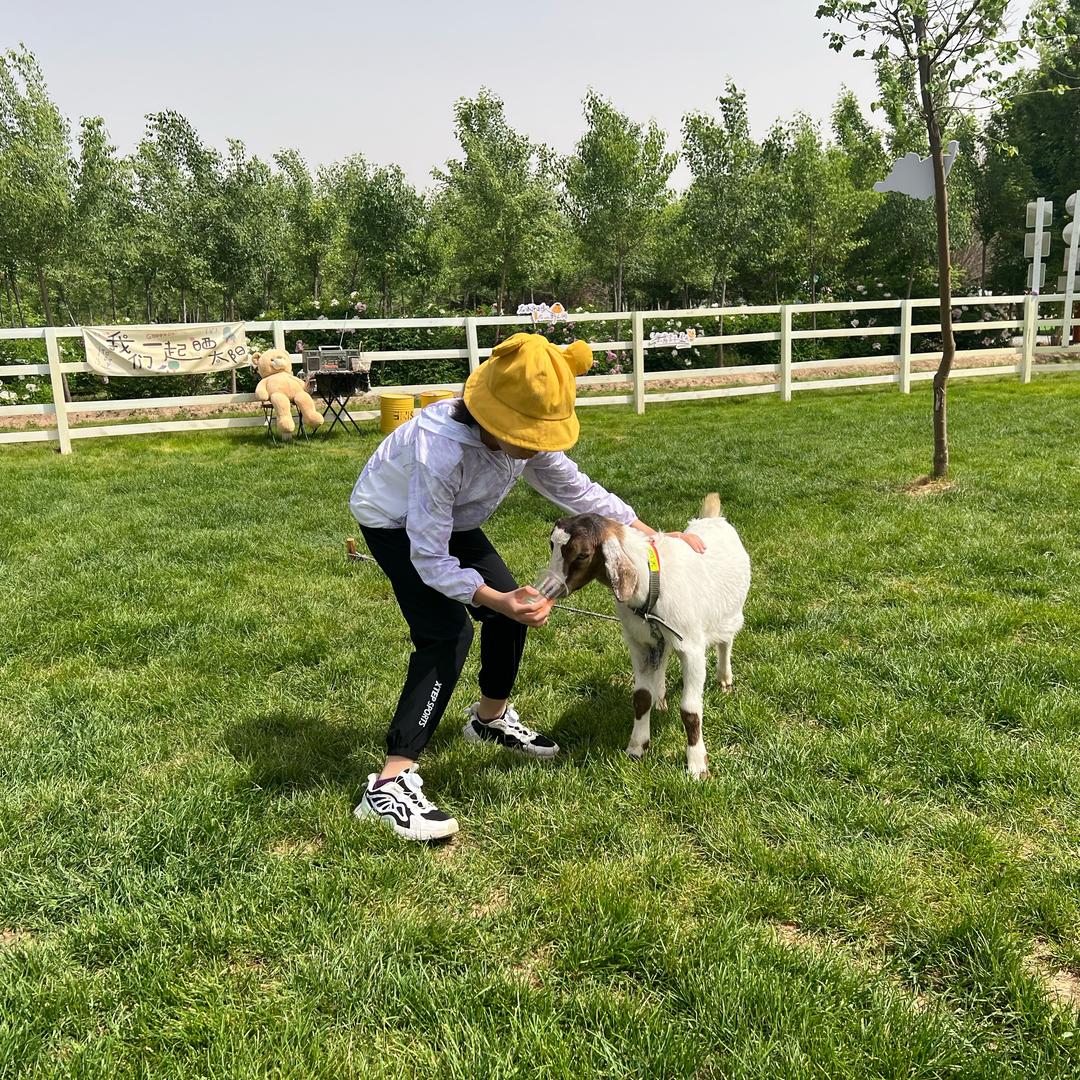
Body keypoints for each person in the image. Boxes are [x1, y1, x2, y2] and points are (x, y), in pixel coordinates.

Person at [349, 332, 703, 841]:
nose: (538, 445)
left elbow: (574, 488)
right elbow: (428, 555)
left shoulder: (520, 435)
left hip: (454, 520)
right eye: (528, 434)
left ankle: (488, 719)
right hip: (395, 524)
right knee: (447, 633)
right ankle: (389, 784)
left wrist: (652, 533)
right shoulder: (440, 450)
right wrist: (492, 597)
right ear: (492, 416)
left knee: (511, 607)